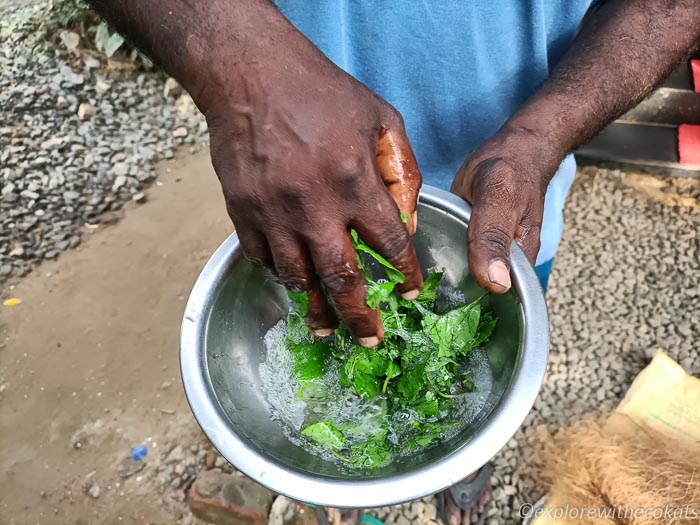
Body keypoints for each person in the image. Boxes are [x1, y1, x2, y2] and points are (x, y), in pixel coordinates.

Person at [86, 1, 700, 523]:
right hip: (297, 189)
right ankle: (340, 490)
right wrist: (242, 76)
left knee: (482, 360)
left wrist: (542, 136)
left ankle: (467, 470)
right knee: (319, 311)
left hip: (508, 200)